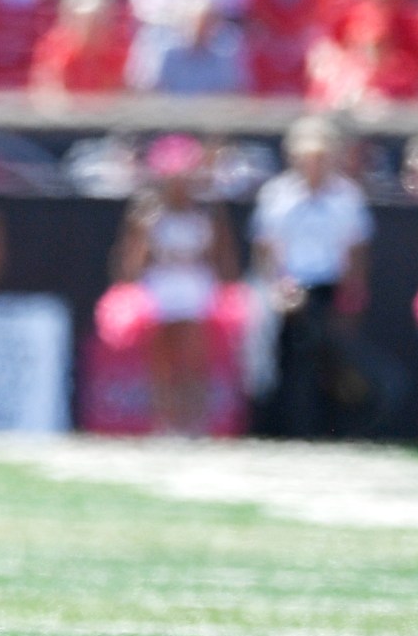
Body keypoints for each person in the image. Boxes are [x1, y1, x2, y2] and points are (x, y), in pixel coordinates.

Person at [250, 117, 376, 439]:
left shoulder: (348, 197)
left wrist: (350, 299)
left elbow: (357, 253)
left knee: (331, 364)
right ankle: (286, 431)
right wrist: (276, 290)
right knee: (286, 364)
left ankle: (329, 431)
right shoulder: (276, 195)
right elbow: (265, 249)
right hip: (287, 290)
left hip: (329, 290)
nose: (315, 164)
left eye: (322, 156)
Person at [111, 136, 236, 436]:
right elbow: (129, 263)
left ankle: (195, 423)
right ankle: (164, 424)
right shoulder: (147, 214)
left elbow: (223, 256)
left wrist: (227, 294)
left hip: (195, 287)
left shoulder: (207, 212)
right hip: (160, 288)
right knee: (160, 360)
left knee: (194, 358)